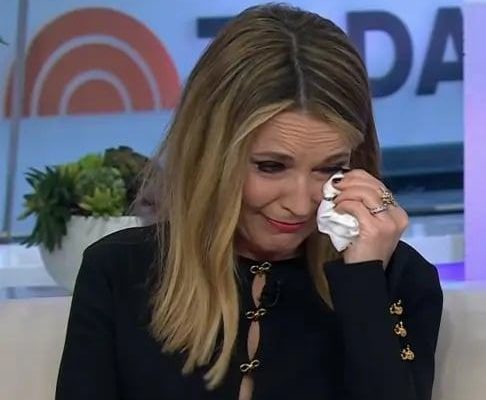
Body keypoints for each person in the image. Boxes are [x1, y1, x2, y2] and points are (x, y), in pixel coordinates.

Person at [55, 4, 443, 400]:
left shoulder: (398, 278)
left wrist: (364, 284)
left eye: (330, 169)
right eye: (271, 166)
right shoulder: (118, 270)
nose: (300, 204)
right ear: (211, 154)